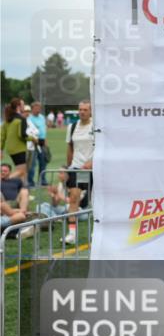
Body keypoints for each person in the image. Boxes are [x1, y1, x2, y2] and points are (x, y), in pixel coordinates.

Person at [64, 100, 95, 245]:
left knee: (95, 201)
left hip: (94, 169)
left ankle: (96, 232)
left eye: (85, 110)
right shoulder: (72, 127)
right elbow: (70, 147)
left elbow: (104, 146)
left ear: (91, 111)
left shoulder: (96, 126)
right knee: (73, 198)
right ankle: (72, 234)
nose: (82, 112)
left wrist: (92, 162)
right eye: (80, 109)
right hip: (76, 168)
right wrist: (68, 166)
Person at [1, 98, 36, 185]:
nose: (24, 106)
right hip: (19, 149)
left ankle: (23, 193)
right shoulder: (21, 119)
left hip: (10, 149)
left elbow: (2, 136)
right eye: (23, 104)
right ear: (18, 106)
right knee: (21, 172)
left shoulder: (7, 119)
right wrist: (33, 139)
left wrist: (1, 149)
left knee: (22, 172)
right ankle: (3, 180)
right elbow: (22, 135)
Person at [1, 163, 36, 238]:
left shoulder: (16, 180)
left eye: (5, 171)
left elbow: (22, 171)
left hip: (15, 202)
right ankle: (24, 219)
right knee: (20, 216)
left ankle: (23, 211)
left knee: (24, 191)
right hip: (4, 203)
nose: (2, 172)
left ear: (10, 172)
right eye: (1, 171)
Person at [27, 101, 48, 188]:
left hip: (42, 141)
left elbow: (44, 129)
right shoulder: (29, 118)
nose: (38, 109)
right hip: (33, 142)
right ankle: (30, 181)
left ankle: (42, 180)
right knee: (32, 163)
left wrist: (46, 140)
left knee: (43, 161)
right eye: (36, 108)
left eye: (39, 108)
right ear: (32, 109)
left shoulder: (42, 117)